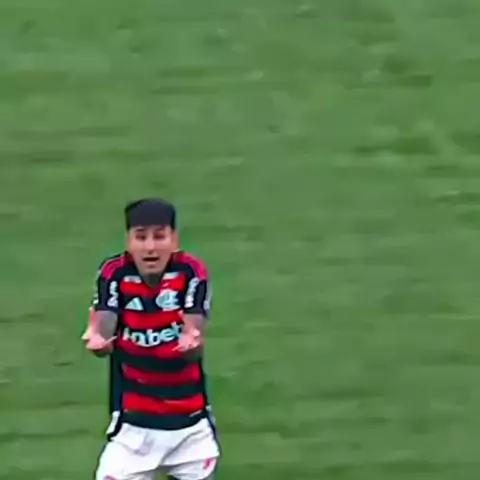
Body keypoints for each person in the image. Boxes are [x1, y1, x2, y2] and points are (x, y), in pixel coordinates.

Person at [83, 198, 219, 480]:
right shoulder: (114, 274)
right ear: (129, 241)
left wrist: (191, 340)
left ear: (174, 240)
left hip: (191, 430)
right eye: (141, 237)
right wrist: (98, 339)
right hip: (134, 430)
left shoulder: (191, 272)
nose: (150, 247)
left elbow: (194, 335)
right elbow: (104, 332)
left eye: (159, 236)